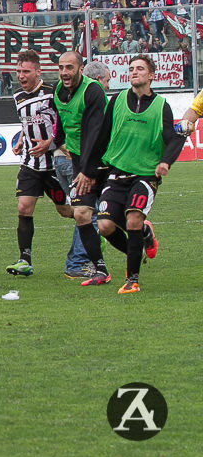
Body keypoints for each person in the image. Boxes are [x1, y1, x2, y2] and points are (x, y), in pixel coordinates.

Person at [83, 55, 183, 294]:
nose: (134, 72)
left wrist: (166, 162)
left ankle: (132, 280)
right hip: (117, 173)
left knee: (133, 219)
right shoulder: (116, 101)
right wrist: (89, 170)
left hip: (146, 176)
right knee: (105, 226)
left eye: (140, 69)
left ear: (151, 75)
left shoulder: (162, 106)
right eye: (131, 69)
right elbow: (102, 137)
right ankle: (137, 248)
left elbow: (173, 138)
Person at [3, 51, 75, 277]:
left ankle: (95, 223)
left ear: (37, 71)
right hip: (30, 163)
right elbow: (27, 124)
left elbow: (64, 124)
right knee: (24, 207)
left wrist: (50, 143)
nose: (21, 76)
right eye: (18, 72)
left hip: (53, 163)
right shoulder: (17, 96)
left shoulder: (53, 94)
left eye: (26, 71)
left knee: (65, 211)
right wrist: (21, 141)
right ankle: (25, 260)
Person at [52, 52, 113, 287]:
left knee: (109, 216)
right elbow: (62, 121)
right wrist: (55, 143)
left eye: (69, 67)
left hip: (101, 160)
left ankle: (141, 232)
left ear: (80, 69)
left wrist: (87, 170)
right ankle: (99, 269)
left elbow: (96, 135)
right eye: (61, 68)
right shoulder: (59, 90)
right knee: (82, 213)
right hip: (79, 161)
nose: (64, 72)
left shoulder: (93, 92)